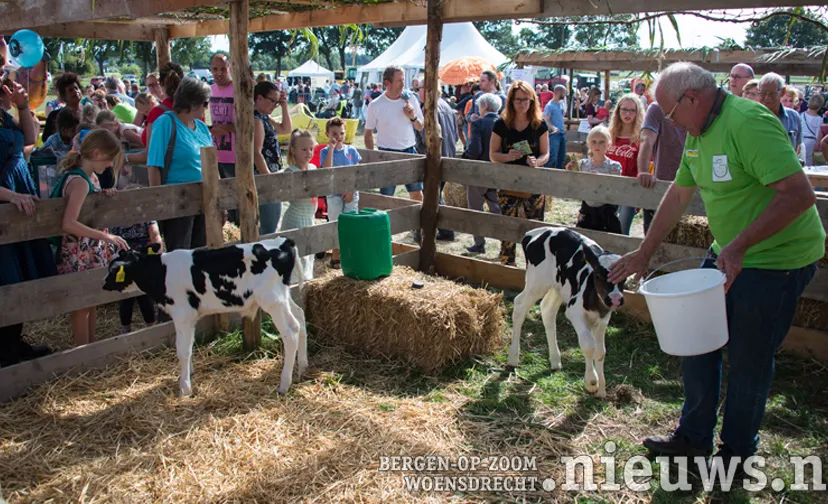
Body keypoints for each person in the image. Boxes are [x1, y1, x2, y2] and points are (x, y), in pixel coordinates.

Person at [609, 62, 824, 476]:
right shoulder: (698, 132)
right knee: (697, 342)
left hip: (776, 260)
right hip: (729, 251)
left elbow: (799, 194)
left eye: (670, 114)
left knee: (749, 358)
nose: (670, 123)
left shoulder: (748, 123)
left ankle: (737, 456)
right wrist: (645, 251)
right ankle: (693, 438)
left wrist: (741, 244)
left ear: (692, 99)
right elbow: (679, 193)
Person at [0, 80, 57, 367]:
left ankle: (11, 344)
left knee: (20, 275)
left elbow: (28, 141)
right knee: (6, 278)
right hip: (6, 200)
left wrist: (23, 106)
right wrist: (10, 195)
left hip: (17, 198)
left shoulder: (4, 114)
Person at [53, 129, 128, 346]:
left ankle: (91, 348)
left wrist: (103, 195)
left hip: (87, 248)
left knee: (91, 300)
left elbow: (88, 206)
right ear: (96, 153)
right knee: (81, 304)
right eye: (108, 160)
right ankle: (82, 354)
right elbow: (68, 223)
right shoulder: (79, 182)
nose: (108, 165)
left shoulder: (89, 178)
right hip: (78, 249)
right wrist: (106, 237)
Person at [146, 78, 212, 252]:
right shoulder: (166, 122)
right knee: (180, 255)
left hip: (204, 199)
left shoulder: (202, 128)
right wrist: (159, 202)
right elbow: (154, 164)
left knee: (202, 254)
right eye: (205, 103)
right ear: (193, 102)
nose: (207, 107)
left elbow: (212, 165)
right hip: (176, 201)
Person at [489, 80, 550, 266]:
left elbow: (546, 153)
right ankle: (507, 267)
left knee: (535, 229)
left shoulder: (539, 125)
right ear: (511, 101)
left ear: (532, 101)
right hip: (508, 184)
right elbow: (493, 155)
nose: (522, 103)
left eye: (526, 99)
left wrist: (536, 161)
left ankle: (535, 268)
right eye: (518, 100)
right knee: (508, 229)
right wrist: (507, 157)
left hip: (533, 183)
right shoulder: (501, 124)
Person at [364, 65, 425, 207]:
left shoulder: (411, 100)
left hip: (409, 151)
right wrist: (372, 155)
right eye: (399, 81)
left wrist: (412, 117)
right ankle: (387, 227)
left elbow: (420, 126)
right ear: (387, 83)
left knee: (417, 194)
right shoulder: (375, 105)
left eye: (403, 80)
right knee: (386, 197)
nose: (403, 84)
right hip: (387, 154)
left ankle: (417, 228)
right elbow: (368, 133)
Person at [109, 184, 162, 334]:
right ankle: (125, 327)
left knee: (144, 294)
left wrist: (156, 252)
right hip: (125, 259)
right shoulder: (119, 218)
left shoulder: (147, 217)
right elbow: (113, 239)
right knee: (126, 295)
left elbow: (155, 235)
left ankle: (150, 326)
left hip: (143, 257)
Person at [414, 83, 458, 242]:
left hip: (433, 157)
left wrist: (420, 150)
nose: (417, 91)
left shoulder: (426, 109)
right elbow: (456, 134)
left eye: (419, 88)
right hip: (448, 154)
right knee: (436, 193)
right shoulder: (447, 105)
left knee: (431, 194)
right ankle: (444, 229)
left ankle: (443, 230)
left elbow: (422, 136)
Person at [636, 101, 686, 234]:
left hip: (692, 184)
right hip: (662, 185)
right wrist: (644, 172)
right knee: (655, 235)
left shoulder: (700, 108)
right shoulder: (657, 108)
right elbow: (646, 139)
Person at [464, 93, 503, 254]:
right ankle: (506, 242)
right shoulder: (504, 123)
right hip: (498, 171)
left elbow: (475, 149)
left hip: (479, 172)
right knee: (496, 207)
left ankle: (479, 243)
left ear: (485, 107)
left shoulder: (478, 124)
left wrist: (465, 157)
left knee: (475, 209)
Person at [320, 117, 360, 267]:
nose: (338, 137)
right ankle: (336, 256)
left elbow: (357, 173)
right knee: (335, 224)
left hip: (350, 193)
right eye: (334, 134)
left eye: (341, 133)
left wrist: (351, 190)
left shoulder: (352, 150)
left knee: (350, 223)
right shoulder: (325, 152)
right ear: (327, 135)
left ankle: (349, 255)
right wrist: (331, 149)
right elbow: (327, 169)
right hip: (333, 194)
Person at [253, 80, 292, 235]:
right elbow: (256, 153)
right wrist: (268, 179)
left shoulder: (264, 117)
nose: (274, 105)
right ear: (259, 98)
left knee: (269, 224)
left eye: (277, 102)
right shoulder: (257, 120)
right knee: (268, 227)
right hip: (265, 176)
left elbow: (285, 128)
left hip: (270, 173)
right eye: (272, 101)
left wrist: (284, 106)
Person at [282, 129, 318, 282]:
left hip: (310, 218)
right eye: (304, 149)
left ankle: (306, 284)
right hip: (296, 219)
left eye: (311, 149)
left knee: (308, 255)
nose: (308, 152)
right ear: (293, 150)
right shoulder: (291, 171)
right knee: (296, 256)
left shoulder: (313, 169)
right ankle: (294, 286)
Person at [608, 93, 645, 235]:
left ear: (638, 113)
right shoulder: (609, 135)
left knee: (622, 231)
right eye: (624, 109)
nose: (627, 114)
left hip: (629, 190)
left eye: (632, 110)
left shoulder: (641, 139)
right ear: (618, 111)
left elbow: (643, 168)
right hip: (608, 189)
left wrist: (639, 195)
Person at [575, 126, 622, 233]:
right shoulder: (583, 164)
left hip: (606, 210)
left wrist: (600, 180)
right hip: (587, 208)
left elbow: (615, 188)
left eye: (601, 142)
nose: (597, 145)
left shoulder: (613, 166)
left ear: (608, 144)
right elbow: (577, 183)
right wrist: (570, 169)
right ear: (589, 144)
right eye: (594, 142)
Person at [208, 53, 238, 209]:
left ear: (230, 69)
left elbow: (247, 122)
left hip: (236, 156)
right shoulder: (209, 90)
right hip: (215, 155)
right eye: (215, 69)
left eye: (222, 69)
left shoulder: (238, 90)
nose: (219, 73)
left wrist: (227, 128)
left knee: (236, 200)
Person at [758, 73, 802, 153]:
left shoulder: (793, 117)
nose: (767, 98)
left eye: (772, 93)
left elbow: (798, 146)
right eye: (763, 93)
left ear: (782, 92)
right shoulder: (753, 117)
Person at [42, 72, 83, 142]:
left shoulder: (89, 112)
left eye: (76, 88)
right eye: (70, 90)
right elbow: (46, 139)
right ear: (64, 96)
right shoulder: (54, 116)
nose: (75, 91)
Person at [543, 84, 567, 169]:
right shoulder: (550, 106)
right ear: (558, 92)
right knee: (552, 157)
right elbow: (546, 120)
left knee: (561, 157)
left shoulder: (561, 104)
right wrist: (553, 128)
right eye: (563, 92)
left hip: (562, 133)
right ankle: (544, 171)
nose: (565, 95)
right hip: (554, 134)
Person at [801, 93, 825, 166]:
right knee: (809, 161)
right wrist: (817, 144)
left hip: (802, 140)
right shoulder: (819, 119)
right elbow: (818, 134)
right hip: (811, 141)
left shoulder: (802, 115)